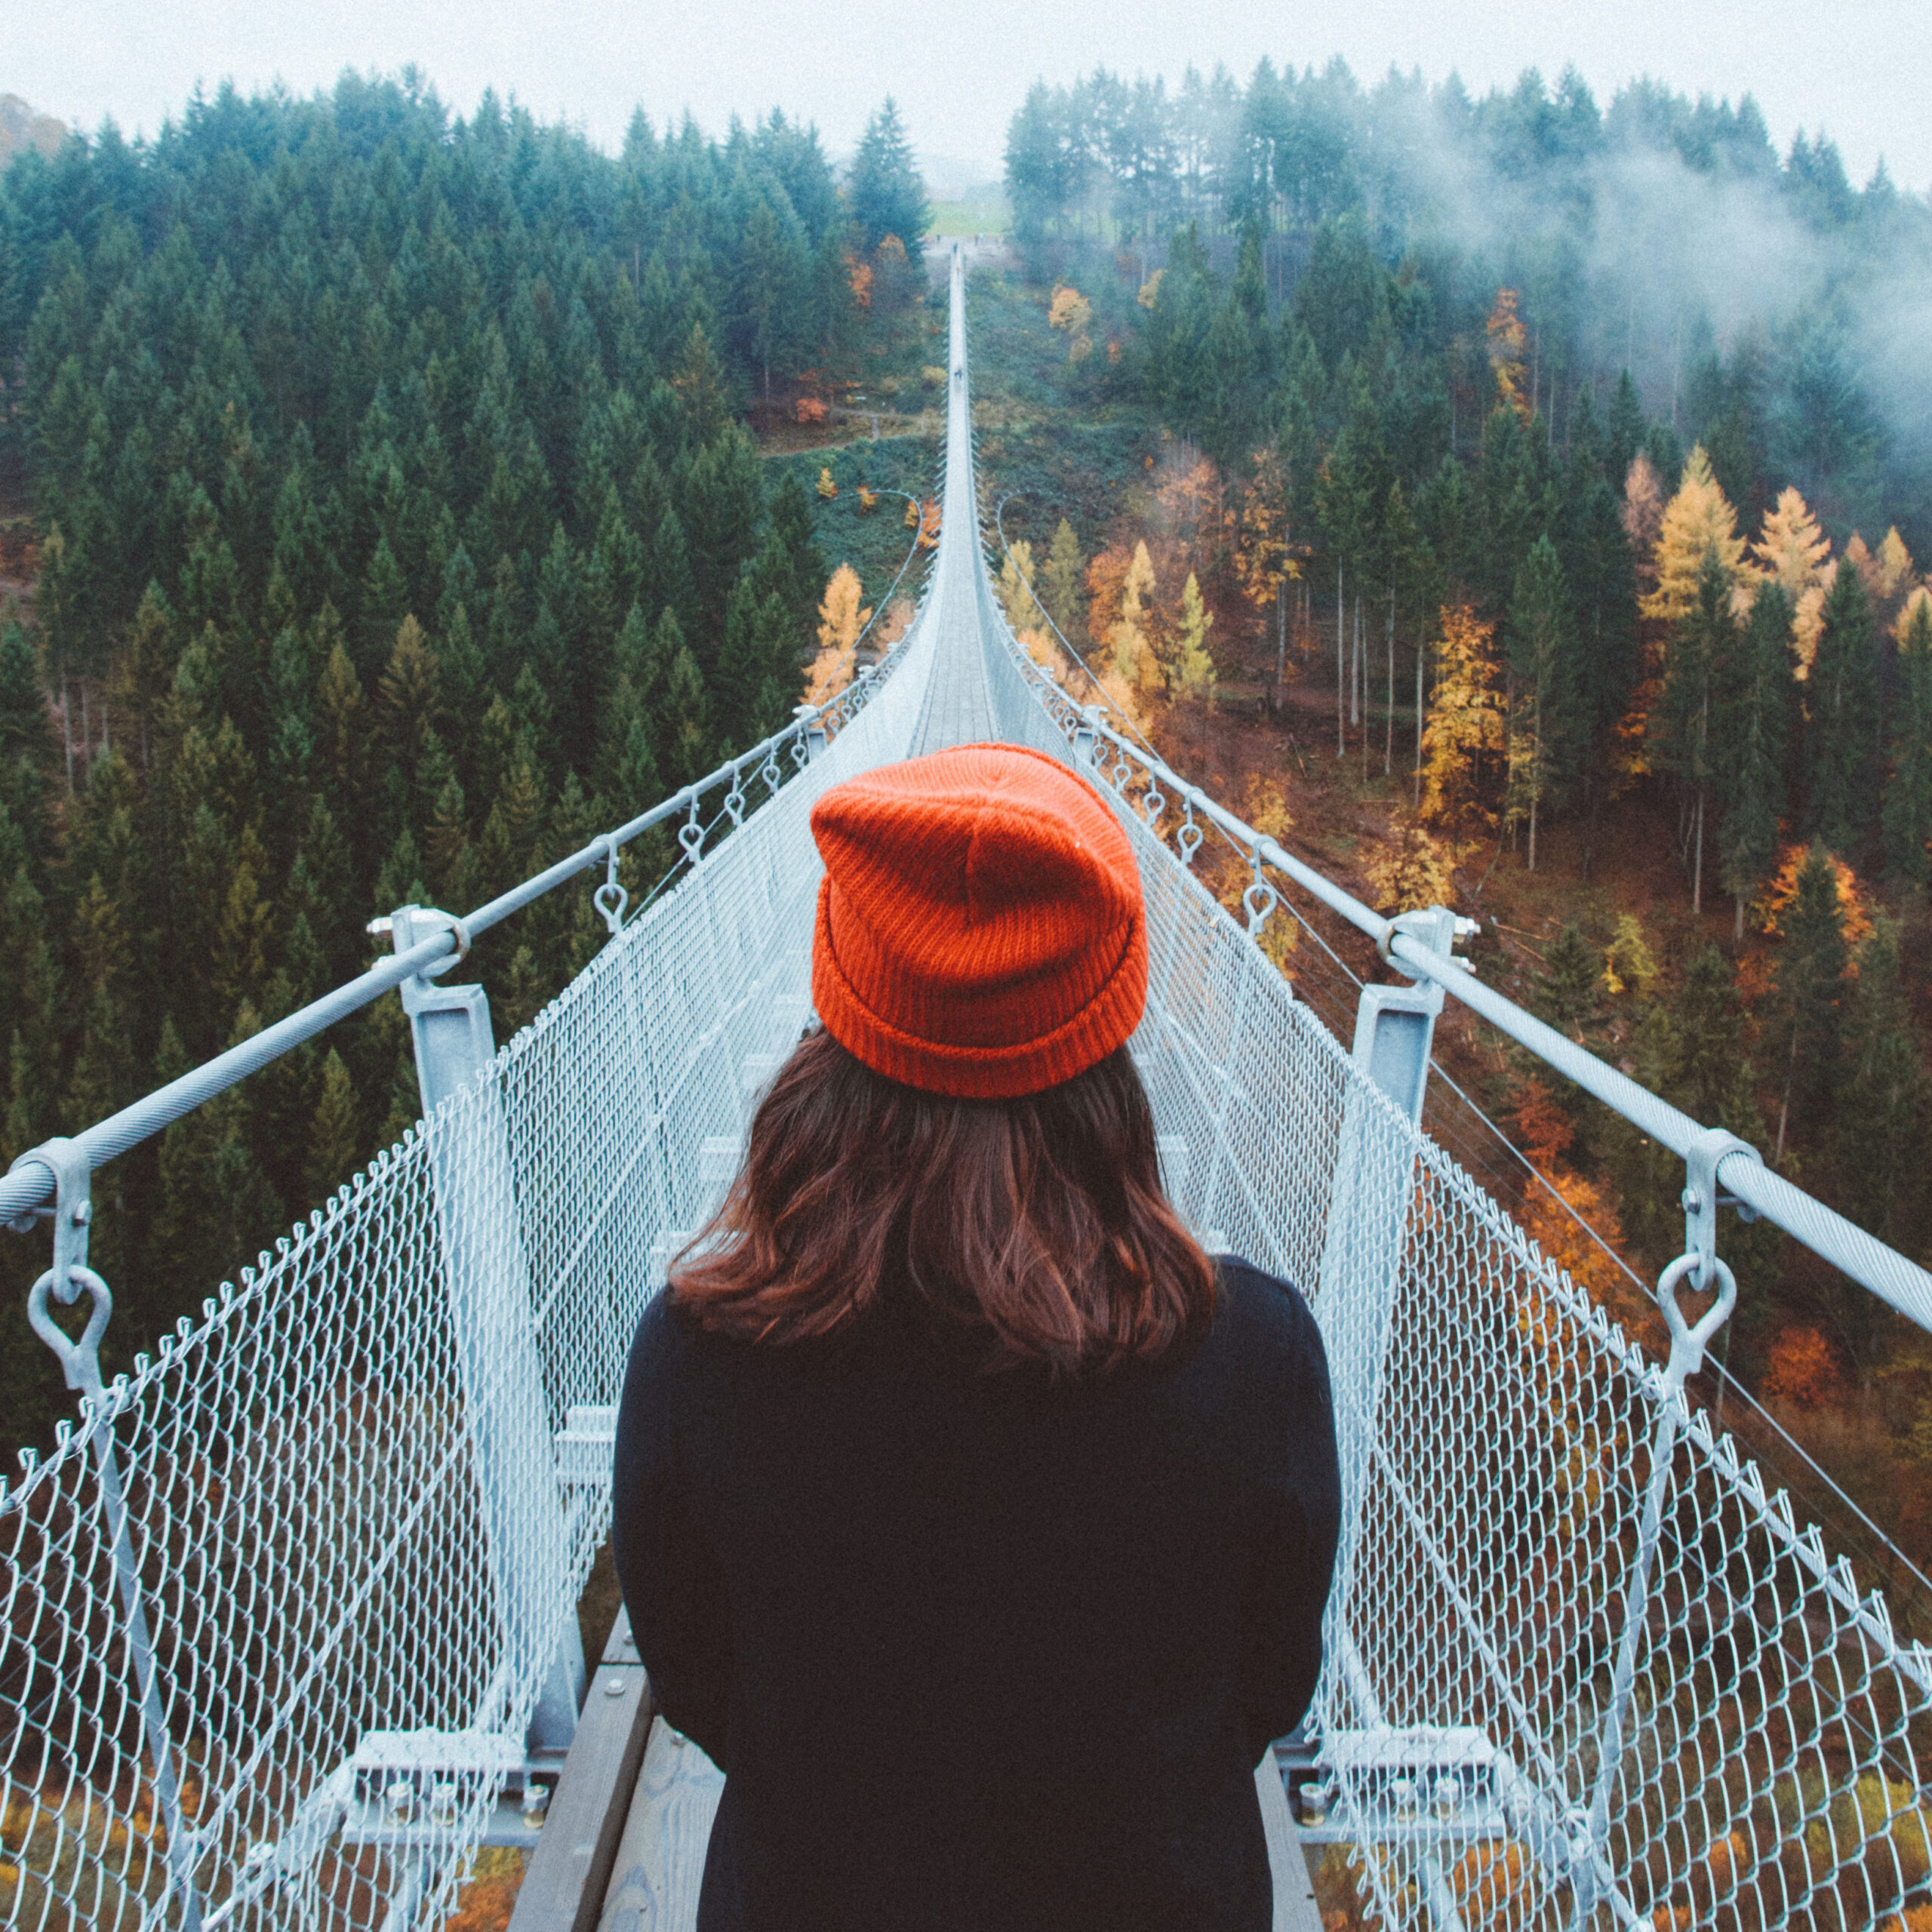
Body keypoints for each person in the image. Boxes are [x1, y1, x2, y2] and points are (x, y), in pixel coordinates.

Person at [613, 742, 1340, 1932]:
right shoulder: (1253, 1356)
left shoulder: (699, 1360)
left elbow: (696, 1678)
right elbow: (1269, 1685)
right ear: (1108, 1024)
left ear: (836, 1012)